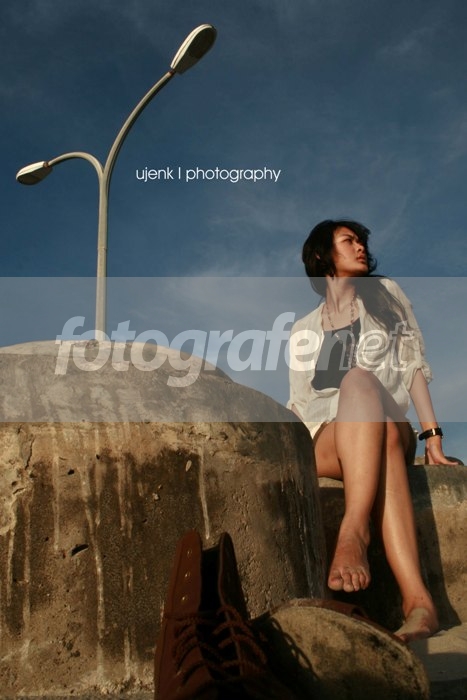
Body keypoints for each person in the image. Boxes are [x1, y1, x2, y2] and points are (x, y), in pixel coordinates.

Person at [288, 219, 458, 643]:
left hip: (387, 417)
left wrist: (432, 435)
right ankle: (419, 604)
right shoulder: (302, 330)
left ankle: (355, 529)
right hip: (331, 435)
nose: (361, 247)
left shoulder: (385, 295)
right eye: (348, 241)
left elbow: (411, 364)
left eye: (361, 240)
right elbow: (299, 402)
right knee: (378, 439)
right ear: (322, 256)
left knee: (361, 383)